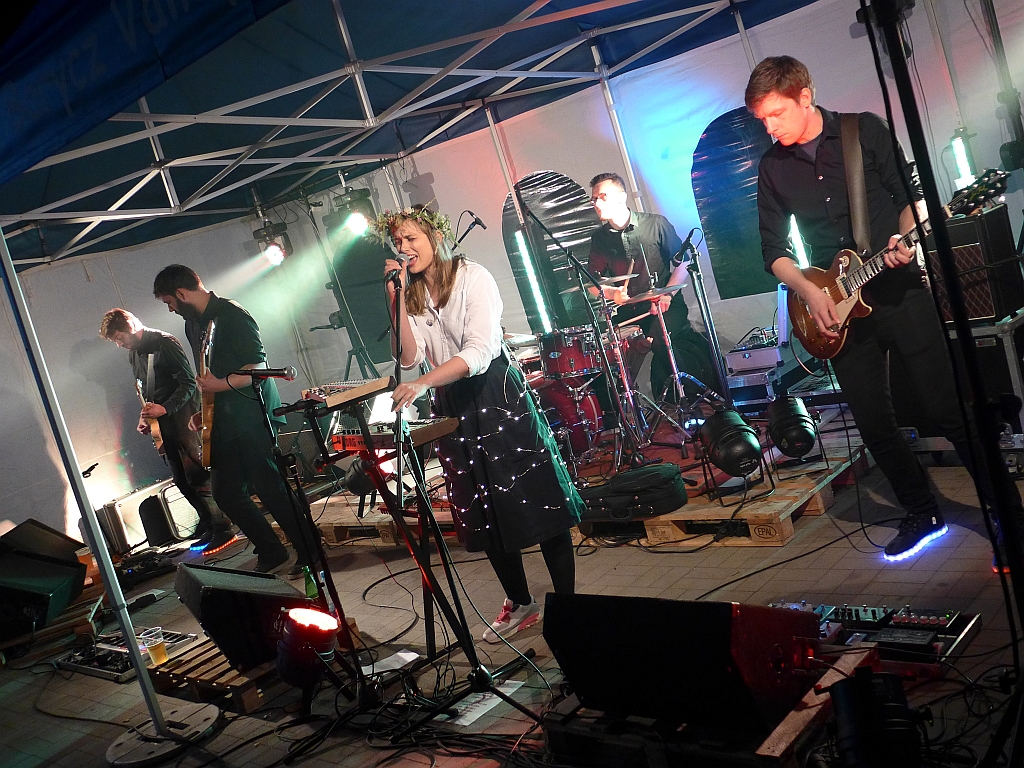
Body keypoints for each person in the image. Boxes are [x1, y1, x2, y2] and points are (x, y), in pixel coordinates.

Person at [746, 55, 985, 560]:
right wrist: (810, 292)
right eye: (762, 119)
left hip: (899, 292)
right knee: (874, 423)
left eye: (776, 114)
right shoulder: (772, 167)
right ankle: (921, 510)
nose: (769, 127)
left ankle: (1004, 510)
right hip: (837, 309)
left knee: (949, 410)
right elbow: (773, 251)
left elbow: (911, 199)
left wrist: (904, 237)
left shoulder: (863, 131)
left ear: (805, 96)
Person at [380, 206, 585, 644]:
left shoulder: (474, 278)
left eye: (411, 239)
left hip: (496, 394)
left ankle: (568, 606)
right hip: (451, 401)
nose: (404, 248)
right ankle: (521, 602)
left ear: (435, 237)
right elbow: (409, 358)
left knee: (538, 498)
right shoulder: (411, 294)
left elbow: (478, 352)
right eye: (398, 242)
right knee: (482, 509)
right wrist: (393, 297)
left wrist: (422, 384)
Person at [152, 265, 318, 575]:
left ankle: (311, 550)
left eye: (169, 302)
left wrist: (219, 385)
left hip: (253, 412)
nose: (170, 309)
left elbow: (258, 367)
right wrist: (205, 410)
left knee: (270, 486)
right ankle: (272, 551)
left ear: (182, 293)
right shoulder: (192, 324)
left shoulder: (233, 315)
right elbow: (207, 373)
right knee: (225, 492)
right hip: (225, 417)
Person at [99, 308, 235, 552]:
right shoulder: (134, 353)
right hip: (163, 425)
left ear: (131, 326)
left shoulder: (165, 343)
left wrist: (165, 408)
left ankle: (223, 527)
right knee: (182, 481)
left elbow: (188, 383)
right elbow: (145, 389)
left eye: (120, 338)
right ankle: (209, 525)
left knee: (198, 478)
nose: (119, 344)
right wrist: (145, 416)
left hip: (183, 420)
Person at [586, 173, 718, 402]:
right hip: (629, 313)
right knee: (608, 351)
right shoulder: (599, 239)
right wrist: (613, 293)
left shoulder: (656, 224)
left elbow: (683, 262)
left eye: (603, 197)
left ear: (622, 197)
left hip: (667, 306)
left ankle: (691, 398)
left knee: (659, 337)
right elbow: (592, 284)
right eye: (594, 198)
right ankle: (622, 410)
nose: (597, 203)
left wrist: (668, 295)